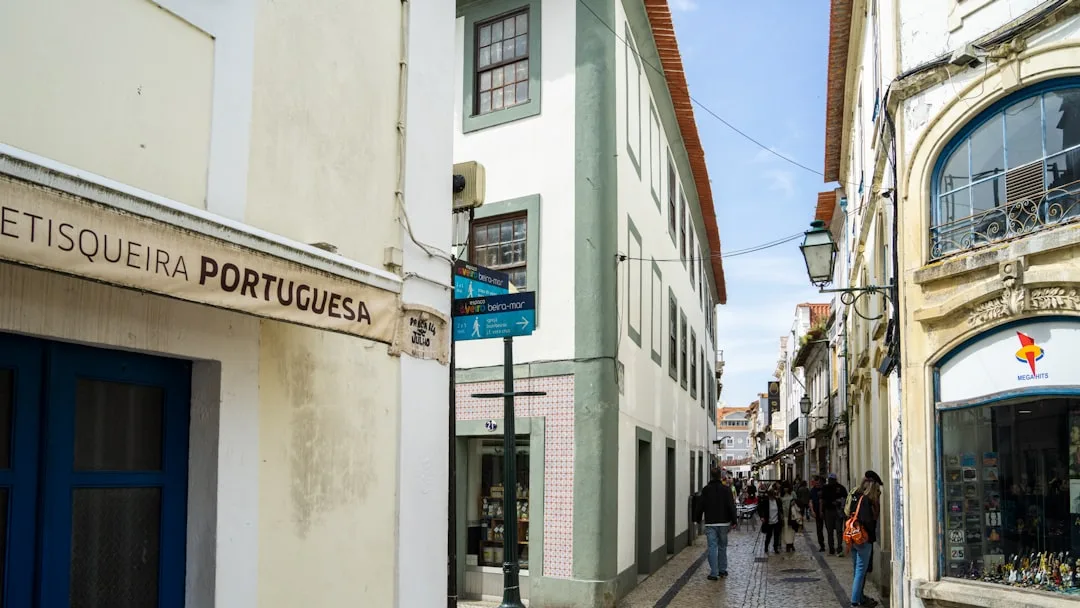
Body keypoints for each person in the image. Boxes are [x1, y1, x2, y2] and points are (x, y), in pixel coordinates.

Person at [694, 468, 737, 580]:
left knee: (712, 547)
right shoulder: (726, 490)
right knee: (722, 547)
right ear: (720, 476)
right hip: (724, 523)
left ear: (711, 476)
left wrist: (697, 518)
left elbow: (700, 505)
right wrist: (734, 520)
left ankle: (714, 573)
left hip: (710, 523)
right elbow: (731, 505)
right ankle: (722, 570)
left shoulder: (706, 490)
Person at [849, 471, 883, 608]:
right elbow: (868, 521)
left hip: (853, 537)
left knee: (857, 570)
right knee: (860, 571)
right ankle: (855, 600)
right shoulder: (866, 501)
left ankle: (860, 597)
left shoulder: (856, 495)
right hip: (863, 539)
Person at [822, 473, 848, 556]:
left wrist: (839, 502)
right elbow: (822, 500)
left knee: (839, 530)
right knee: (829, 531)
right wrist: (822, 511)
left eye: (832, 480)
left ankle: (839, 547)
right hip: (828, 511)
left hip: (838, 511)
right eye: (830, 479)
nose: (831, 481)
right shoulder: (825, 488)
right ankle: (831, 548)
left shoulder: (841, 488)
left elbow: (845, 499)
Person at [757, 487, 783, 554]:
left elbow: (780, 509)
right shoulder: (766, 501)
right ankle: (766, 547)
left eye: (772, 496)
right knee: (769, 535)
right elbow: (759, 508)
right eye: (770, 496)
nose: (771, 497)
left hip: (776, 521)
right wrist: (762, 517)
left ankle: (775, 548)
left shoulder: (777, 500)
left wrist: (781, 515)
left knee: (776, 535)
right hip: (769, 521)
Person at [780, 482, 799, 552]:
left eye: (787, 487)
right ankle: (788, 545)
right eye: (784, 487)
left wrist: (794, 502)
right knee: (786, 531)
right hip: (785, 515)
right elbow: (779, 504)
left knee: (792, 531)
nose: (786, 489)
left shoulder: (793, 493)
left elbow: (797, 501)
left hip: (792, 515)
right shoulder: (781, 494)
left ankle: (791, 544)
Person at [809, 476, 825, 552]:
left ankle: (831, 545)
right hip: (817, 512)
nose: (817, 484)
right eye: (816, 483)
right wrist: (812, 511)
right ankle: (822, 545)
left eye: (819, 483)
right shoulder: (812, 490)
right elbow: (810, 501)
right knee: (819, 530)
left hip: (825, 511)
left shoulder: (824, 489)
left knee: (829, 529)